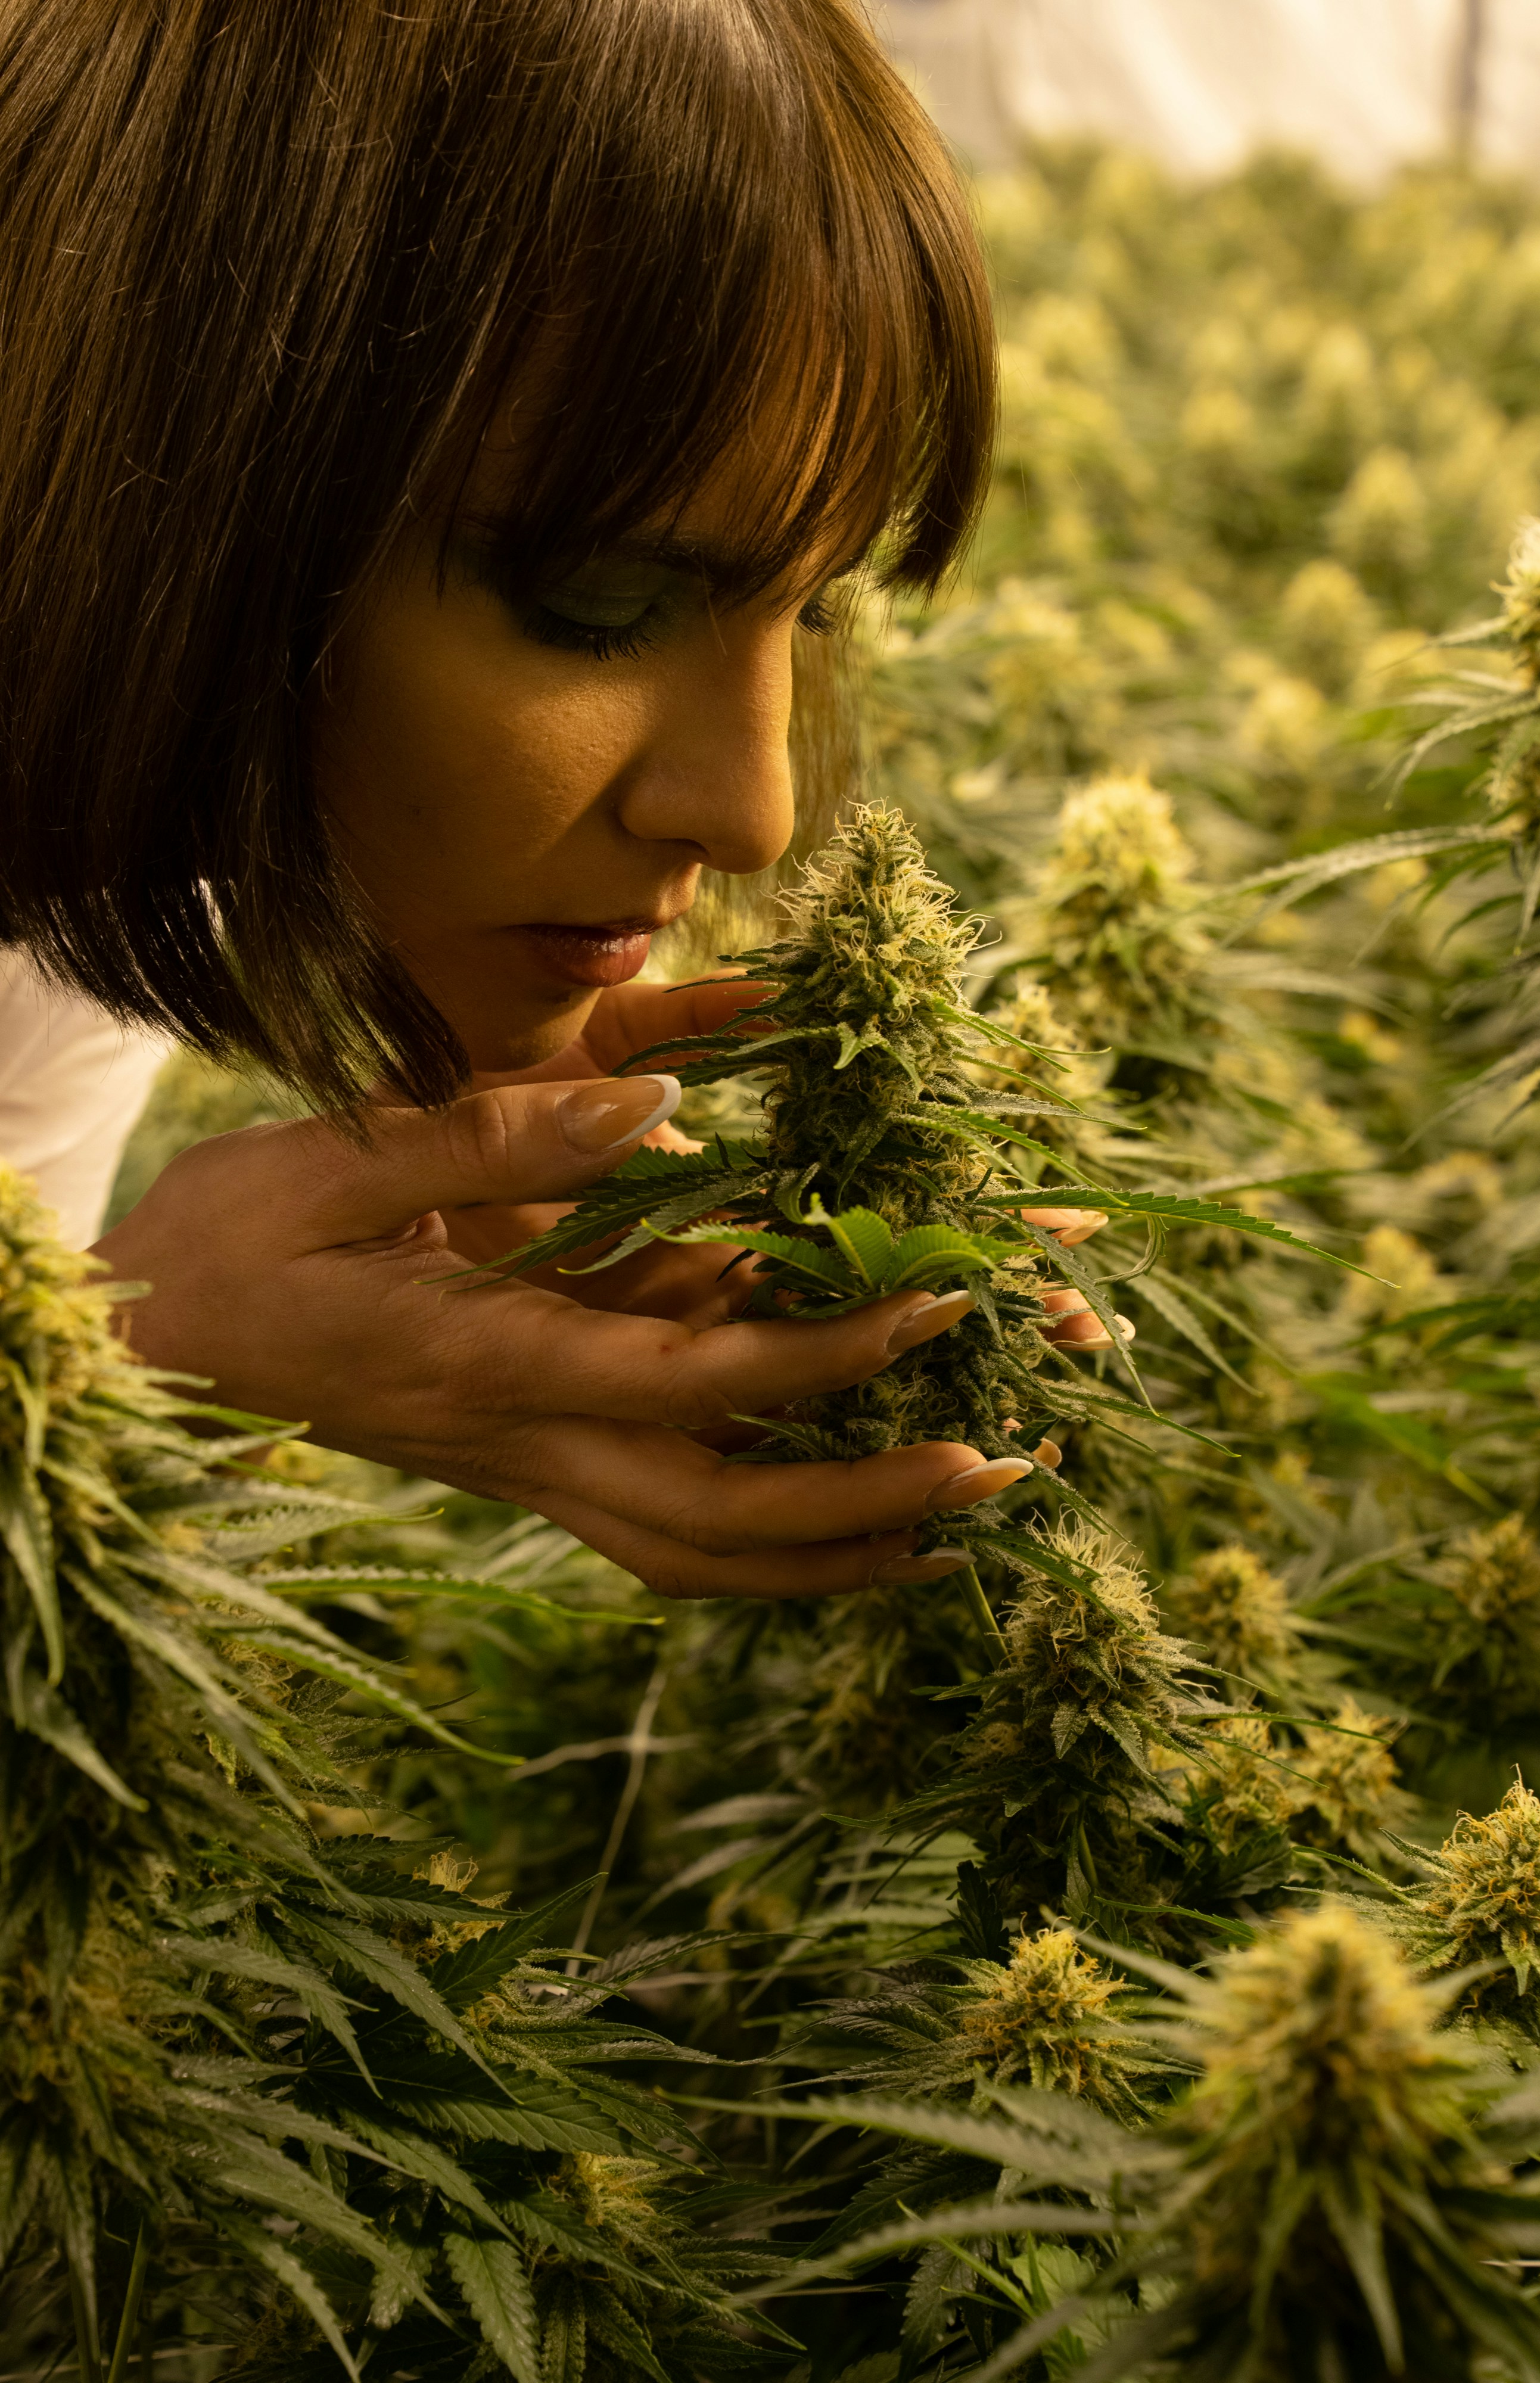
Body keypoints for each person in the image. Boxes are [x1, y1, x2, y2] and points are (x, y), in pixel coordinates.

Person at [0, 0, 1110, 1601]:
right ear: (197, 472)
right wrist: (136, 1335)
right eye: (594, 603)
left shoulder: (100, 829)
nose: (753, 815)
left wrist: (122, 1327)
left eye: (809, 609)